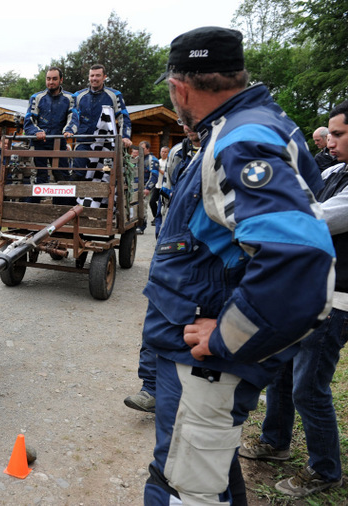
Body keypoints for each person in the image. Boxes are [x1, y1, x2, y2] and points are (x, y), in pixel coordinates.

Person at [143, 27, 334, 505]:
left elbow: (300, 262)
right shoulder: (252, 124)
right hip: (203, 366)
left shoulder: (242, 138)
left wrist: (227, 336)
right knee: (213, 477)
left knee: (184, 490)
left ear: (180, 88)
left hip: (204, 366)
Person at [238, 100, 348, 498]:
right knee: (282, 371)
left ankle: (325, 469)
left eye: (338, 134)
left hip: (335, 300)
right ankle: (275, 442)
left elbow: (314, 216)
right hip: (305, 291)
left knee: (309, 387)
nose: (329, 142)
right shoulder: (335, 170)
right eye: (329, 134)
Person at [124, 125, 201, 413]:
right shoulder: (182, 153)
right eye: (185, 119)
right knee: (156, 319)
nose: (188, 125)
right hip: (170, 244)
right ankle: (151, 388)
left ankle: (186, 395)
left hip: (203, 256)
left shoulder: (226, 153)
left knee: (191, 325)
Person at [71, 64, 132, 180]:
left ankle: (103, 198)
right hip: (83, 142)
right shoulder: (79, 96)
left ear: (104, 77)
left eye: (98, 75)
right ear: (88, 77)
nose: (94, 78)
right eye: (92, 75)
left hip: (106, 144)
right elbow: (72, 117)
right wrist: (70, 130)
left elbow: (123, 116)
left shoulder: (114, 95)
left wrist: (125, 136)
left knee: (104, 175)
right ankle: (77, 198)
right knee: (78, 174)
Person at [23, 66, 76, 201]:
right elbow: (28, 121)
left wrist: (69, 130)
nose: (51, 82)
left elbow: (73, 117)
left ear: (61, 80)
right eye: (48, 79)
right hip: (39, 143)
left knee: (62, 176)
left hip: (59, 142)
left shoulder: (69, 98)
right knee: (39, 176)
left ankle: (62, 209)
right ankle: (33, 210)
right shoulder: (36, 98)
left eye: (54, 79)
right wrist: (36, 131)